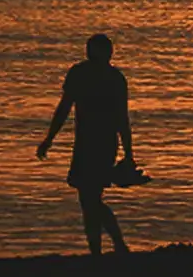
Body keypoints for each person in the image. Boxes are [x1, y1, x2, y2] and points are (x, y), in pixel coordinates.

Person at [37, 34, 142, 255]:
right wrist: (49, 138)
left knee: (90, 199)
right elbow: (66, 108)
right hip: (92, 144)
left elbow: (120, 118)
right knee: (89, 200)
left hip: (97, 144)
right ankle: (101, 249)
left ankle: (113, 246)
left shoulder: (91, 75)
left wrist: (130, 153)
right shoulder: (108, 77)